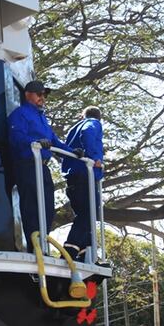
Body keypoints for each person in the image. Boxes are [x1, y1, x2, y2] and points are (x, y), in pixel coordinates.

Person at [7, 80, 70, 251]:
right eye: (39, 94)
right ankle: (34, 246)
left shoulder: (42, 117)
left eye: (44, 94)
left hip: (42, 167)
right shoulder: (20, 114)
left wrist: (75, 152)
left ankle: (42, 243)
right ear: (28, 95)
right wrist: (35, 142)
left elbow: (55, 142)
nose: (43, 97)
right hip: (27, 165)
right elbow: (16, 138)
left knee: (48, 207)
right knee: (32, 207)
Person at [61, 106, 104, 261]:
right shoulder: (93, 123)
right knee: (89, 213)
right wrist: (94, 158)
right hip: (84, 175)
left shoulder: (73, 128)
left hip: (73, 177)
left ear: (82, 115)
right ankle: (70, 250)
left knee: (86, 216)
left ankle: (85, 253)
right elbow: (87, 132)